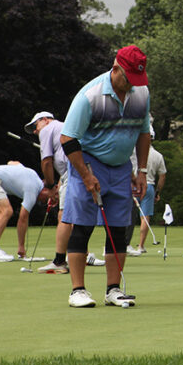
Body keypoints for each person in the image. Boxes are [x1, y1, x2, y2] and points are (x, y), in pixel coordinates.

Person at [60, 45, 152, 307]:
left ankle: (113, 289)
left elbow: (143, 132)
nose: (131, 86)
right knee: (82, 226)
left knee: (119, 230)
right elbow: (68, 139)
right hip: (88, 164)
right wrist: (86, 176)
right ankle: (77, 290)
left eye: (137, 80)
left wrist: (141, 170)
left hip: (122, 167)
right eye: (128, 79)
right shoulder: (90, 96)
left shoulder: (141, 93)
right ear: (115, 69)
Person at [28, 111, 105, 274]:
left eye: (35, 126)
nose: (35, 131)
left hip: (74, 173)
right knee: (79, 217)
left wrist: (50, 186)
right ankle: (82, 254)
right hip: (87, 171)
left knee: (65, 216)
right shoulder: (65, 127)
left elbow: (46, 162)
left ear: (45, 120)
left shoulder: (48, 129)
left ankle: (60, 261)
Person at [0, 161, 48, 262]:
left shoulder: (33, 175)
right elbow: (23, 218)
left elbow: (13, 162)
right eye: (52, 198)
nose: (46, 202)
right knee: (6, 211)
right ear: (46, 189)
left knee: (2, 211)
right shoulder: (33, 190)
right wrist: (21, 247)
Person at [128, 138, 166, 255]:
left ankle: (125, 243)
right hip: (149, 186)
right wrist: (157, 192)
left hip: (133, 185)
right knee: (144, 216)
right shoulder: (158, 155)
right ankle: (141, 245)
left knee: (128, 215)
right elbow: (162, 176)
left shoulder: (132, 152)